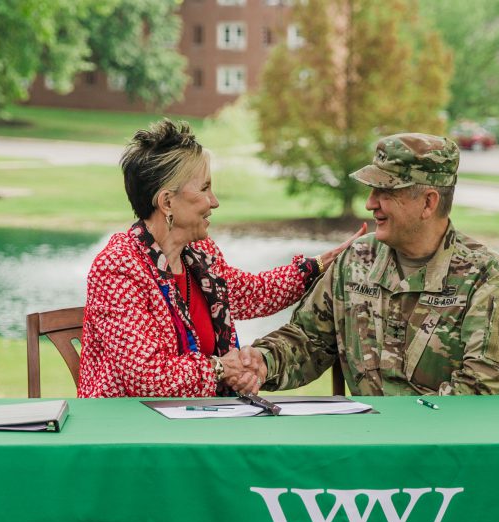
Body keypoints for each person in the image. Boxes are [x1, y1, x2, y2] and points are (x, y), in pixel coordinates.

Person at [77, 119, 363, 398]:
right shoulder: (117, 268)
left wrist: (319, 265)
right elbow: (148, 378)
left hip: (200, 418)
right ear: (166, 203)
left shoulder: (201, 255)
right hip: (135, 430)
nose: (214, 201)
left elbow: (254, 294)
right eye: (204, 189)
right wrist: (220, 368)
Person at [236, 132, 499, 395]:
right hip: (368, 450)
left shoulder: (488, 278)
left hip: (448, 453)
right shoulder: (356, 260)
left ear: (428, 203)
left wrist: (400, 434)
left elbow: (484, 390)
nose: (370, 203)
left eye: (385, 192)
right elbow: (308, 341)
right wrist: (263, 362)